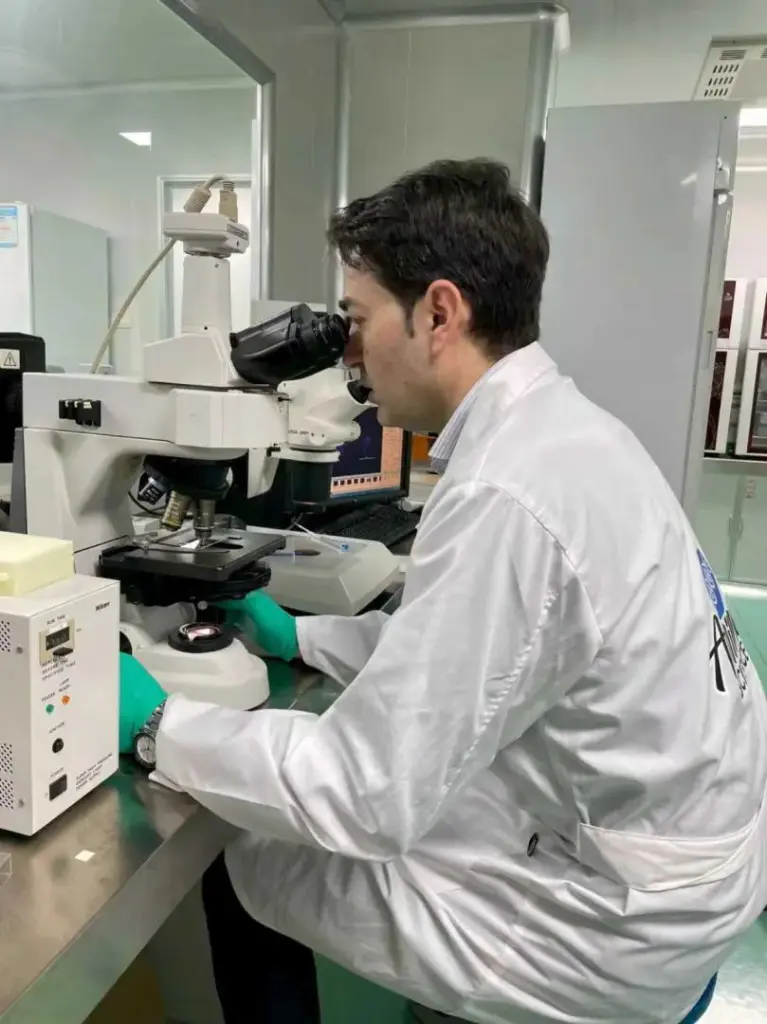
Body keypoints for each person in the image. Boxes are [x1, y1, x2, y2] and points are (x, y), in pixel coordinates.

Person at [120, 159, 767, 1024]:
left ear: (437, 312)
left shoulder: (509, 490)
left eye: (358, 320)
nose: (350, 353)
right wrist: (302, 639)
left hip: (618, 924)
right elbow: (479, 655)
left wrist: (161, 727)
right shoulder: (568, 435)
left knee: (249, 856)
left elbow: (363, 794)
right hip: (672, 864)